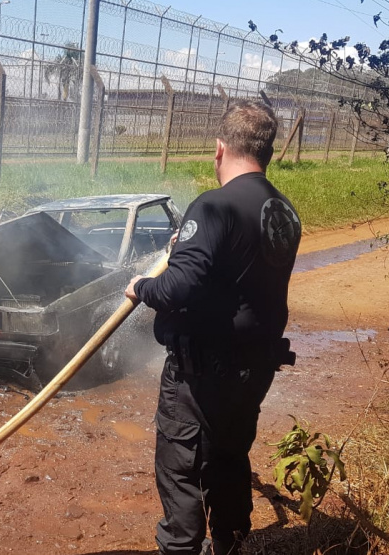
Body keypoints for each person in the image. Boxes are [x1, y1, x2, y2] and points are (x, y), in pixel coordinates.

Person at [125, 100, 301, 555]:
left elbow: (177, 289)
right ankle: (229, 543)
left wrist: (142, 286)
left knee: (182, 469)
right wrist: (188, 249)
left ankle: (182, 548)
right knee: (229, 457)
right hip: (254, 370)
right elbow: (240, 275)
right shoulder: (284, 210)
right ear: (268, 151)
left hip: (202, 374)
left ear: (219, 148)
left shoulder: (214, 205)